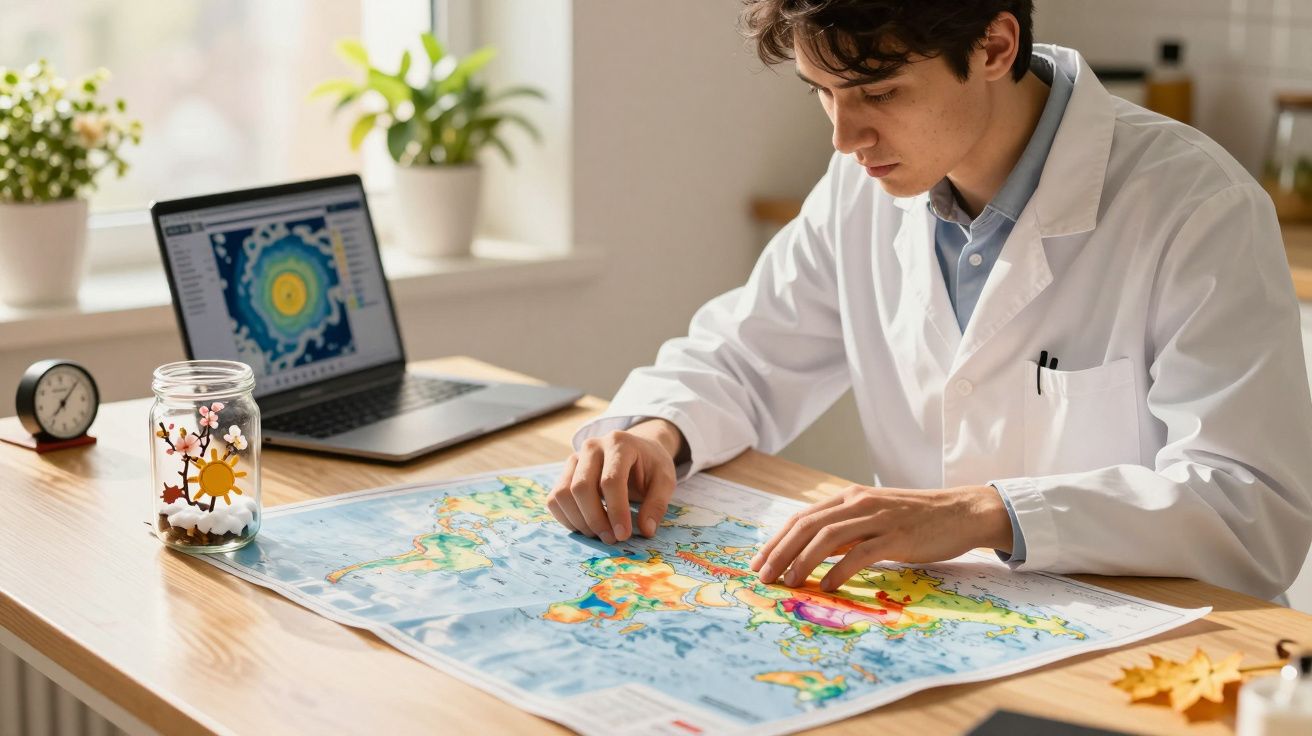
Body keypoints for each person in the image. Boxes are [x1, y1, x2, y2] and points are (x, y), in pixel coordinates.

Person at [549, 0, 1312, 600]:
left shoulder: (1195, 204)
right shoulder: (862, 187)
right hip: (947, 627)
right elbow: (749, 355)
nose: (846, 137)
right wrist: (656, 433)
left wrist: (985, 513)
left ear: (994, 47)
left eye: (878, 91)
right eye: (823, 93)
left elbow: (1252, 505)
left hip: (1159, 645)